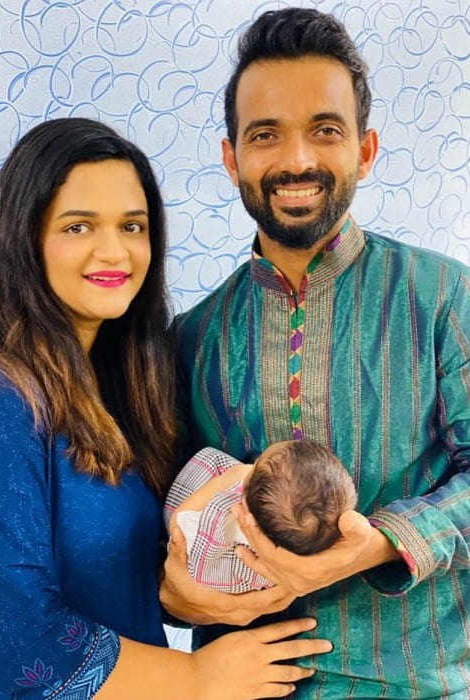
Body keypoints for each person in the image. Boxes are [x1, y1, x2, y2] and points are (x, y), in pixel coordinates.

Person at [161, 7, 470, 699]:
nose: (297, 160)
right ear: (232, 158)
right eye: (265, 134)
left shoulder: (446, 298)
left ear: (365, 149)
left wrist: (382, 542)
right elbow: (159, 529)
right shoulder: (191, 338)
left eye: (325, 131)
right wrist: (174, 595)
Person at [0, 117, 334, 700]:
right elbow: (7, 636)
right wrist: (196, 678)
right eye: (78, 225)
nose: (114, 251)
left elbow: (107, 579)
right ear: (23, 237)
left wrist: (187, 593)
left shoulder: (120, 384)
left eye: (132, 226)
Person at [165, 441, 356, 593]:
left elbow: (177, 526)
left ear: (245, 503)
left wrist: (228, 479)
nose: (251, 466)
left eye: (256, 467)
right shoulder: (285, 568)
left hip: (184, 527)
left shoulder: (219, 525)